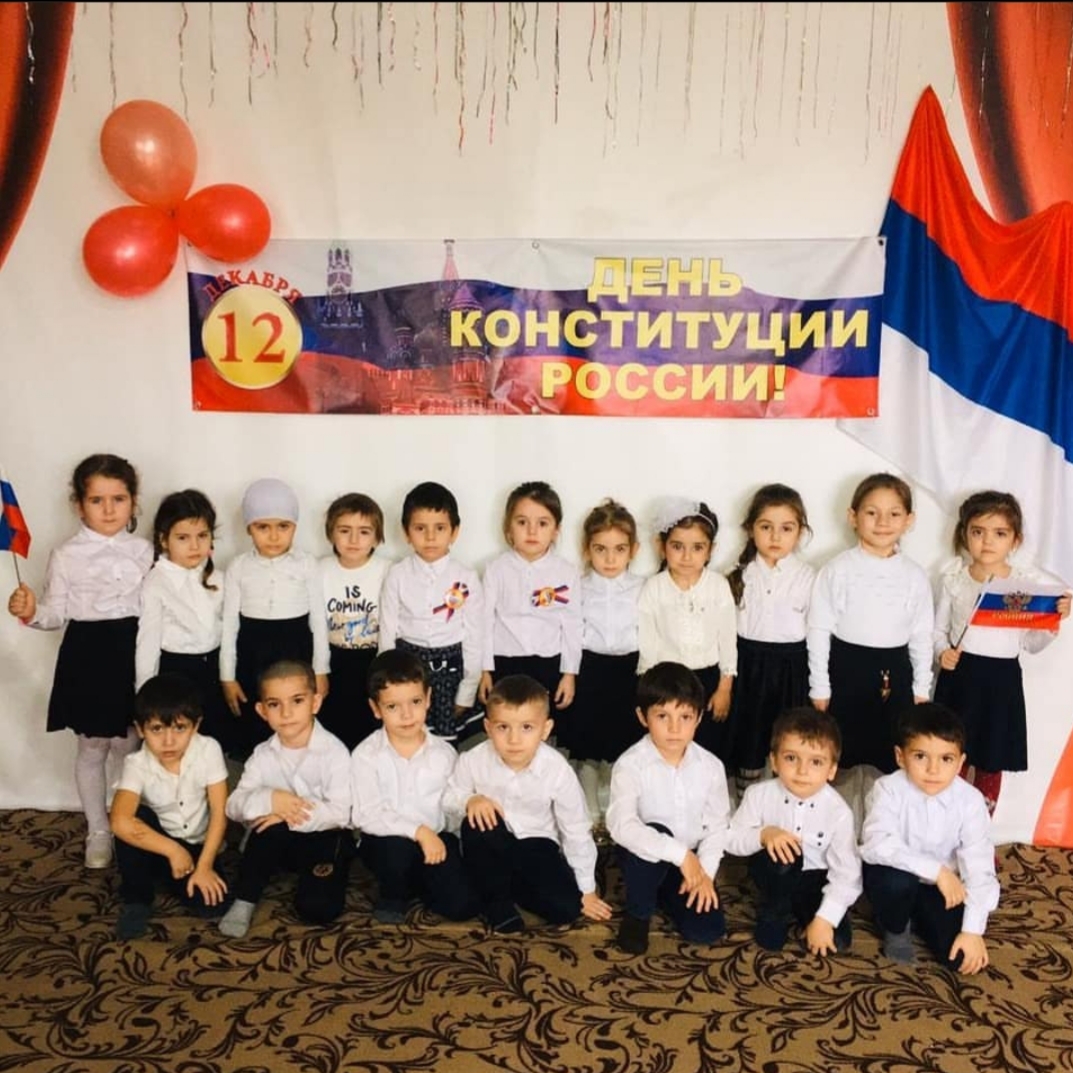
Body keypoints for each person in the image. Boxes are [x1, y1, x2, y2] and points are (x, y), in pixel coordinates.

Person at [7, 453, 153, 869]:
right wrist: (31, 611)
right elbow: (55, 613)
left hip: (134, 651)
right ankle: (98, 829)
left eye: (118, 499)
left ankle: (128, 823)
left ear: (133, 501)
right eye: (96, 500)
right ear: (79, 505)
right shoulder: (66, 554)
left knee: (130, 744)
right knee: (92, 746)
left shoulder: (145, 550)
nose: (108, 510)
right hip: (88, 654)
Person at [933, 490, 1072, 817]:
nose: (987, 541)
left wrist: (1052, 622)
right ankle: (944, 826)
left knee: (991, 759)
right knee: (948, 752)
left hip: (1002, 682)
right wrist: (942, 653)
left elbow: (1031, 645)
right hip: (960, 679)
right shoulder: (953, 581)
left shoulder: (1024, 587)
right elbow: (937, 631)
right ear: (964, 535)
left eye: (999, 533)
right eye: (978, 532)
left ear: (1015, 540)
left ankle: (980, 829)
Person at [806, 472, 933, 828]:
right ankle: (835, 837)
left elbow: (921, 635)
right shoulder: (837, 569)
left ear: (909, 520)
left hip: (895, 673)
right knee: (840, 760)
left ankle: (881, 837)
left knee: (889, 763)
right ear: (853, 516)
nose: (882, 522)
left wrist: (921, 688)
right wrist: (820, 686)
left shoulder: (915, 575)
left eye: (894, 514)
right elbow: (819, 629)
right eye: (872, 512)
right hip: (845, 670)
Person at [443, 673, 613, 934]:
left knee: (567, 908)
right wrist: (470, 799)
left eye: (526, 727)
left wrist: (587, 889)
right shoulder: (473, 759)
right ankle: (497, 903)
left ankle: (510, 886)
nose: (514, 739)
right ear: (488, 727)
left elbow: (575, 830)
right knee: (479, 822)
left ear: (545, 729)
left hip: (535, 843)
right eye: (503, 727)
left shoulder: (557, 769)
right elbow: (449, 798)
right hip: (490, 842)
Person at [860, 703, 999, 975]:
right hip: (900, 877)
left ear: (960, 762)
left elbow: (980, 866)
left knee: (959, 957)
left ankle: (918, 915)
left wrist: (972, 931)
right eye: (921, 756)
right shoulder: (887, 789)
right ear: (901, 757)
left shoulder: (970, 801)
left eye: (946, 759)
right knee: (895, 882)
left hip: (942, 888)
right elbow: (878, 844)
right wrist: (937, 871)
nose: (933, 769)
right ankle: (895, 927)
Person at [218, 659, 352, 939]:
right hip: (277, 840)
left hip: (324, 836)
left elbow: (342, 812)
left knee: (318, 908)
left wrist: (289, 811)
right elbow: (233, 806)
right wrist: (271, 800)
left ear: (315, 702)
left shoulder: (335, 753)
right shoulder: (262, 754)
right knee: (266, 830)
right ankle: (245, 900)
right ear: (262, 711)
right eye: (274, 704)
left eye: (297, 701)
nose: (287, 712)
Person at [605, 661, 731, 955]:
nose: (675, 728)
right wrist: (681, 854)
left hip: (690, 861)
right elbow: (622, 825)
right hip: (643, 856)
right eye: (663, 716)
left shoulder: (711, 766)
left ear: (699, 718)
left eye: (685, 717)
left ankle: (663, 893)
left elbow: (717, 826)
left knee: (707, 930)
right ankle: (638, 912)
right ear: (643, 717)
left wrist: (704, 875)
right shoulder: (630, 764)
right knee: (655, 832)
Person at [351, 649, 478, 924]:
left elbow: (451, 807)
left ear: (428, 698)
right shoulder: (365, 755)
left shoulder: (444, 753)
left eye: (415, 702)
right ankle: (393, 893)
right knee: (395, 853)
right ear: (376, 709)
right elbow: (367, 815)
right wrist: (418, 832)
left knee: (462, 906)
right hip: (386, 841)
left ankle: (421, 881)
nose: (407, 715)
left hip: (434, 838)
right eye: (392, 707)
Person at [725, 706, 860, 954]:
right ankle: (774, 911)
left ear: (832, 770)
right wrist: (763, 834)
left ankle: (805, 913)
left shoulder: (839, 811)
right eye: (791, 758)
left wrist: (824, 919)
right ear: (774, 761)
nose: (802, 771)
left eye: (816, 762)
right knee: (786, 860)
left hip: (816, 878)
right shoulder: (758, 794)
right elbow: (731, 839)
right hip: (775, 870)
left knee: (838, 942)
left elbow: (847, 873)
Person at [109, 673, 231, 939]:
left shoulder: (209, 749)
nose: (168, 741)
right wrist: (172, 850)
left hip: (198, 844)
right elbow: (119, 821)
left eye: (179, 728)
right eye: (156, 729)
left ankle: (171, 873)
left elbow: (219, 814)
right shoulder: (136, 764)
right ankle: (137, 899)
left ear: (195, 726)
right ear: (140, 729)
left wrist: (204, 866)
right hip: (158, 842)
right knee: (133, 817)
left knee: (213, 906)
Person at [220, 478, 330, 761]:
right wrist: (227, 676)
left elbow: (319, 621)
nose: (273, 536)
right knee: (259, 718)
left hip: (295, 648)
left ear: (295, 526)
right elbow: (230, 626)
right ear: (249, 528)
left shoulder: (306, 564)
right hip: (252, 653)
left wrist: (320, 669)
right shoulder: (238, 567)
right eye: (262, 527)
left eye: (283, 526)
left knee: (295, 715)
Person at [725, 484, 815, 799]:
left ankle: (784, 809)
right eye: (766, 527)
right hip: (748, 667)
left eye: (786, 528)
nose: (775, 537)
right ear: (751, 529)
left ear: (800, 532)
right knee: (749, 738)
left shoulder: (808, 577)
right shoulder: (739, 576)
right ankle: (747, 808)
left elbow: (816, 632)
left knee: (789, 741)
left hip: (792, 669)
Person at [378, 482, 483, 743]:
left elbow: (474, 635)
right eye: (420, 528)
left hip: (450, 671)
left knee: (445, 743)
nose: (430, 537)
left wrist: (468, 690)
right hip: (408, 667)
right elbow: (387, 630)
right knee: (408, 733)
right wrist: (387, 681)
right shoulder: (397, 574)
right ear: (406, 532)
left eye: (440, 528)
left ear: (454, 532)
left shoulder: (466, 577)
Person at [636, 497, 737, 761]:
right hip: (667, 682)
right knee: (669, 742)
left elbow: (727, 639)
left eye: (697, 547)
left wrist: (724, 688)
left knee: (706, 748)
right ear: (662, 546)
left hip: (708, 681)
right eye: (677, 546)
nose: (687, 556)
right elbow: (648, 642)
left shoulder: (718, 586)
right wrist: (651, 693)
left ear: (711, 550)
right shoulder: (654, 588)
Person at [135, 489, 233, 757]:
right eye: (183, 538)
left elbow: (229, 631)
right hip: (176, 672)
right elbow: (148, 642)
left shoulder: (219, 578)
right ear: (163, 540)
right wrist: (145, 695)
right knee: (179, 744)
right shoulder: (157, 582)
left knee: (212, 745)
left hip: (213, 671)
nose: (194, 546)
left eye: (202, 536)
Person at [570, 498, 645, 831]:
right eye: (601, 549)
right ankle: (589, 812)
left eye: (619, 549)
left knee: (624, 743)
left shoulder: (642, 587)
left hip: (630, 671)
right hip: (590, 669)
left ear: (634, 550)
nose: (610, 559)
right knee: (588, 743)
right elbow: (571, 630)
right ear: (587, 550)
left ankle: (618, 813)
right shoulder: (578, 586)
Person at [478, 480, 582, 715]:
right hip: (504, 662)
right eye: (522, 522)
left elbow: (572, 625)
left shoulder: (566, 572)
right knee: (508, 721)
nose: (532, 531)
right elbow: (484, 622)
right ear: (509, 527)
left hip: (549, 664)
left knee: (542, 724)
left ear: (556, 530)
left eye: (542, 523)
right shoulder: (496, 569)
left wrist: (569, 674)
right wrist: (485, 670)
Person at [318, 492, 392, 750]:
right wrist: (319, 669)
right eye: (344, 530)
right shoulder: (321, 569)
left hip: (374, 658)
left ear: (377, 537)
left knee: (372, 726)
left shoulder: (387, 570)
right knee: (334, 728)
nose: (353, 540)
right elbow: (316, 625)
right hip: (334, 659)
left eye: (364, 532)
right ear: (331, 534)